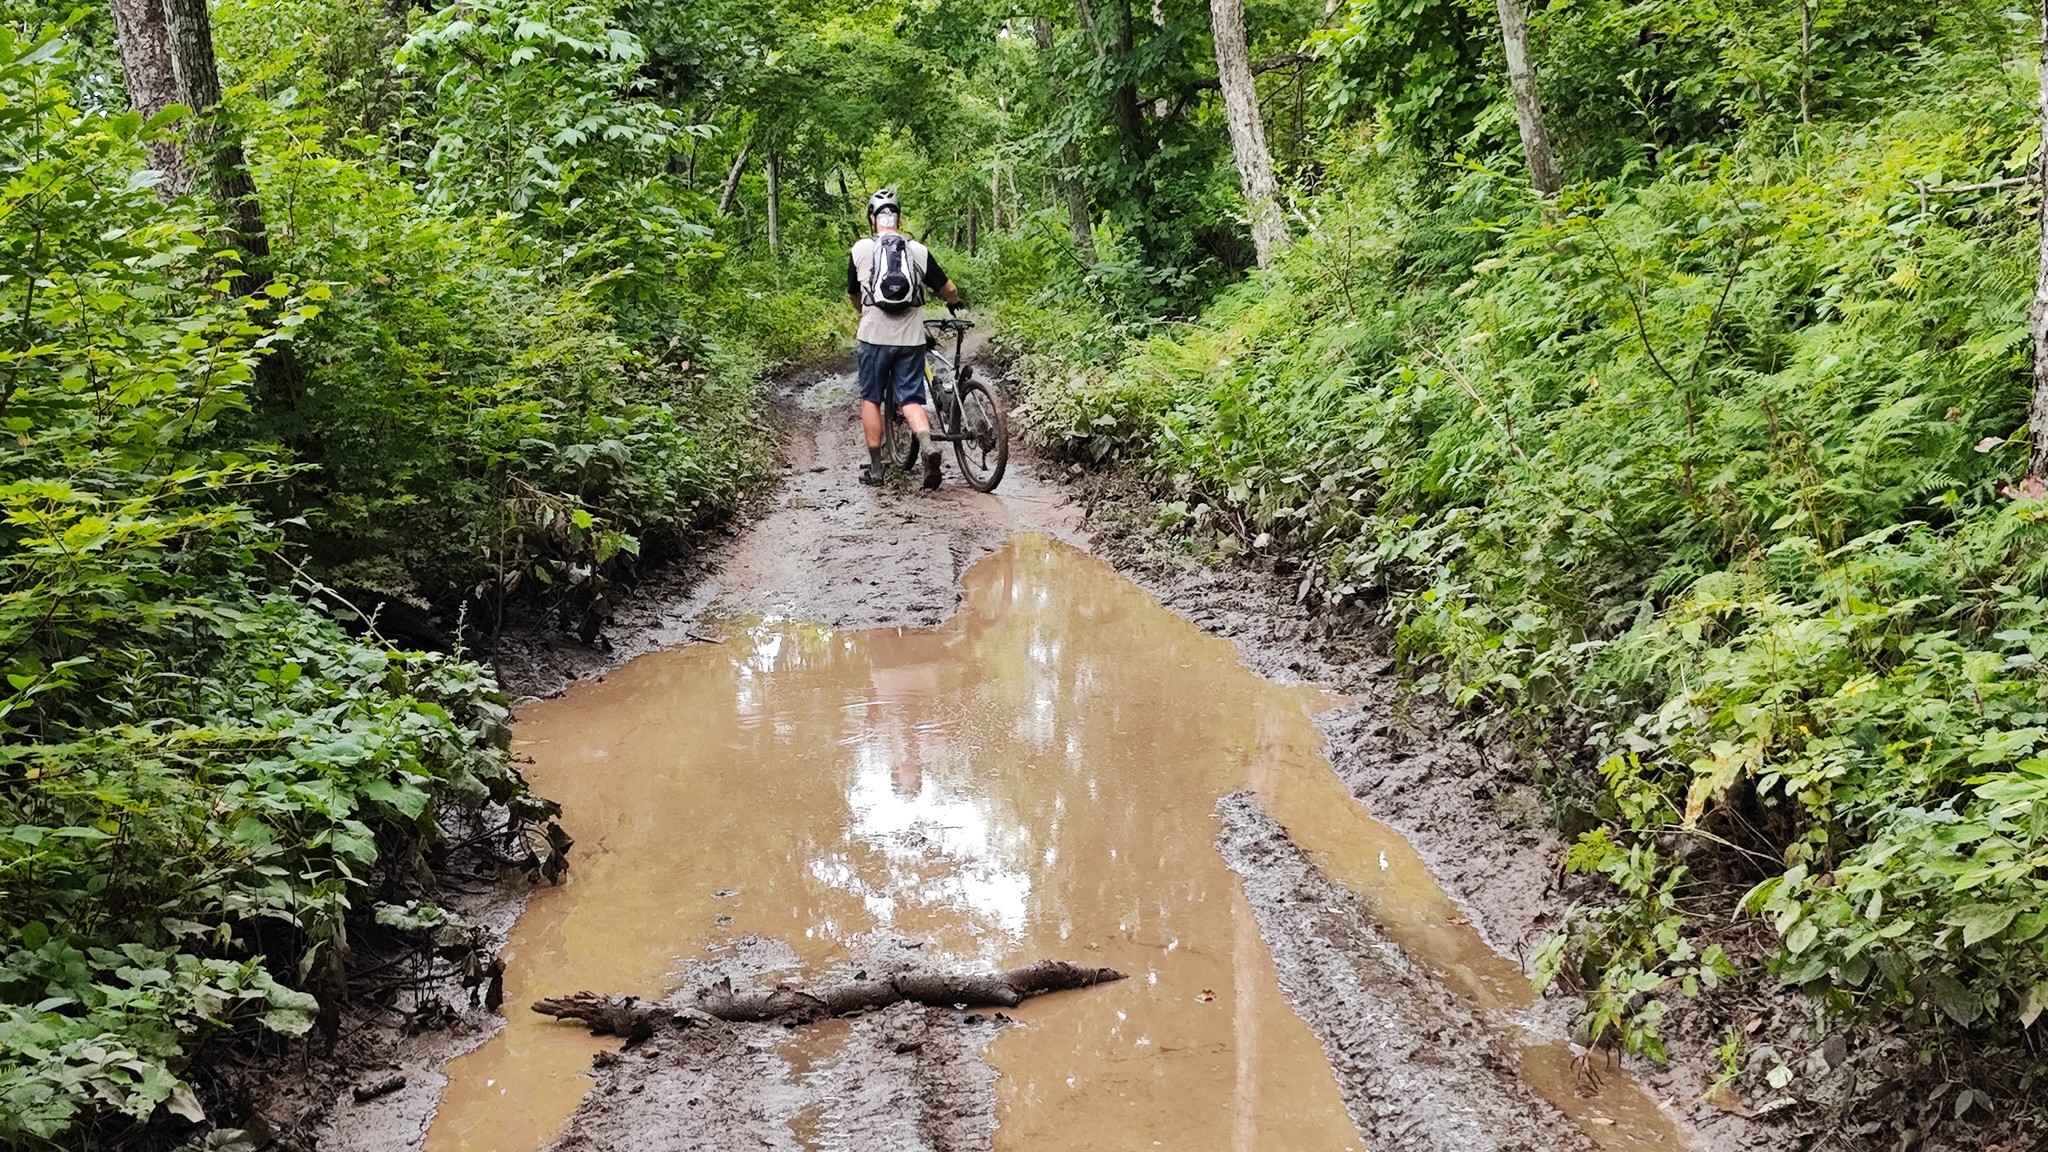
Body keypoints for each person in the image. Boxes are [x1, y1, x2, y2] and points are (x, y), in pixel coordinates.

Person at [848, 190, 965, 488]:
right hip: (911, 339)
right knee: (911, 398)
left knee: (871, 400)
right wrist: (954, 303)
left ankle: (876, 471)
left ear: (873, 219)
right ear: (899, 218)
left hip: (874, 337)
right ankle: (927, 446)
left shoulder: (860, 249)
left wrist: (866, 314)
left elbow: (855, 296)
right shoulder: (918, 251)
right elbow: (947, 288)